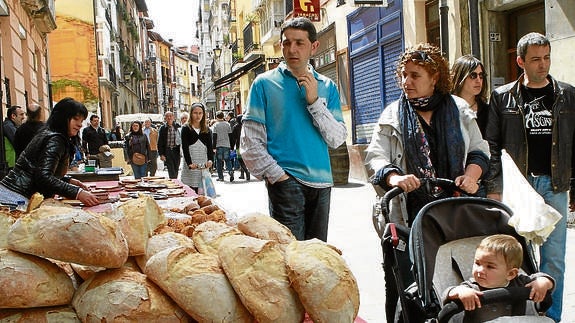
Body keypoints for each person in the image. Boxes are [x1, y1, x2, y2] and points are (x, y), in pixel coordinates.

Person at [364, 43, 490, 322]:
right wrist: (395, 177)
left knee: (453, 280)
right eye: (403, 75)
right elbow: (374, 157)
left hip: (454, 214)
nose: (406, 82)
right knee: (401, 285)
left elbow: (480, 150)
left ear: (434, 78)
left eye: (415, 75)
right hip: (408, 216)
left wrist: (471, 175)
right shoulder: (393, 114)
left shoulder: (459, 109)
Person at [484, 32, 575, 322]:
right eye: (536, 59)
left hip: (554, 184)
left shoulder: (568, 94)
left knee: (554, 259)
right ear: (520, 61)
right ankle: (517, 314)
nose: (543, 64)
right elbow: (492, 145)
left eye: (546, 57)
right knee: (514, 255)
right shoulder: (502, 97)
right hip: (518, 188)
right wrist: (494, 187)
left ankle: (552, 317)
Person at [240, 17, 347, 242]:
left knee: (316, 258)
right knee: (288, 257)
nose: (291, 49)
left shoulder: (327, 86)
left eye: (299, 43)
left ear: (314, 46)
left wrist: (315, 102)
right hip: (286, 184)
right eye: (286, 43)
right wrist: (279, 177)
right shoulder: (263, 83)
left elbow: (337, 139)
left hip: (323, 185)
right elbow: (250, 143)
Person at [0, 97, 99, 207]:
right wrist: (77, 192)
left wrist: (68, 181)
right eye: (76, 119)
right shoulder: (55, 139)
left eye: (81, 120)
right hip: (15, 197)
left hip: (16, 194)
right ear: (62, 118)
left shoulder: (51, 134)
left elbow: (39, 169)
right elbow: (43, 177)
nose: (80, 124)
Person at [443, 234, 554, 321]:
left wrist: (542, 282)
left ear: (510, 274)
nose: (480, 270)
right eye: (477, 263)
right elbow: (448, 293)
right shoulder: (471, 287)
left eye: (490, 266)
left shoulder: (521, 282)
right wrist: (460, 291)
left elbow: (544, 279)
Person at [451, 54, 489, 137]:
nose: (478, 80)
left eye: (481, 75)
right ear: (460, 77)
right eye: (473, 75)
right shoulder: (446, 106)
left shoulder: (488, 111)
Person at [180, 103, 214, 193]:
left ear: (203, 114)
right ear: (191, 114)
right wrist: (189, 163)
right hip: (191, 165)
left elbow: (210, 147)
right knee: (190, 191)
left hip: (203, 164)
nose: (198, 115)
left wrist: (210, 160)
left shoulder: (207, 129)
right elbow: (185, 148)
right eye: (195, 113)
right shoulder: (186, 128)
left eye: (200, 113)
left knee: (202, 192)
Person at [158, 111, 181, 179]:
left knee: (176, 167)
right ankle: (173, 181)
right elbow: (160, 142)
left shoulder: (178, 126)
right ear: (165, 118)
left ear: (173, 117)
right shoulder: (163, 128)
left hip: (176, 150)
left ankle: (175, 180)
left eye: (170, 116)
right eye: (167, 116)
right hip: (167, 150)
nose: (169, 118)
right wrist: (161, 154)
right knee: (170, 169)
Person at [212, 111, 234, 182]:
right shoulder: (227, 124)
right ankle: (230, 171)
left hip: (218, 145)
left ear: (217, 117)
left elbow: (214, 137)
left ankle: (221, 177)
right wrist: (232, 146)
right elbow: (231, 136)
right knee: (228, 160)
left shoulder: (215, 125)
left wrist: (214, 147)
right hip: (227, 145)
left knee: (219, 162)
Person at [232, 114, 250, 181]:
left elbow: (233, 138)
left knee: (240, 160)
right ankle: (242, 174)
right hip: (247, 145)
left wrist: (231, 146)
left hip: (239, 146)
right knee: (244, 160)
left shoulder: (236, 127)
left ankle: (246, 172)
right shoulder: (246, 126)